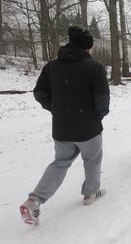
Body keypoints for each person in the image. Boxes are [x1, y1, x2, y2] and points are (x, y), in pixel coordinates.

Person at [20, 26, 110, 226]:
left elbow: (39, 93)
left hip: (61, 127)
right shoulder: (95, 68)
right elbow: (103, 101)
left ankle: (34, 200)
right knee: (92, 160)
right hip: (88, 127)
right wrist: (97, 116)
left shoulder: (51, 66)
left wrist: (56, 109)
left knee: (60, 163)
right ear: (88, 46)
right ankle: (90, 193)